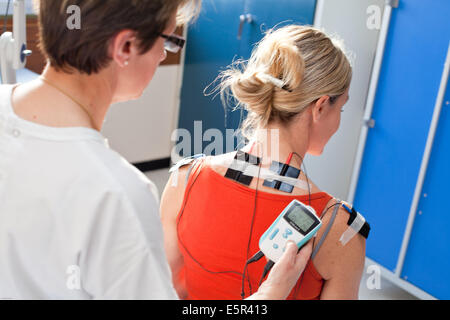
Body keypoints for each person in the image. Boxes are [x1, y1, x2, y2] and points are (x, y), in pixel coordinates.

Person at [0, 0, 310, 299]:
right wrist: (270, 293)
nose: (164, 54)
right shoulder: (117, 195)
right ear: (125, 47)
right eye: (169, 39)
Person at [161, 25, 366, 300]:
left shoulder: (184, 180)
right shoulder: (341, 230)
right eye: (339, 108)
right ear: (319, 107)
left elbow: (167, 289)